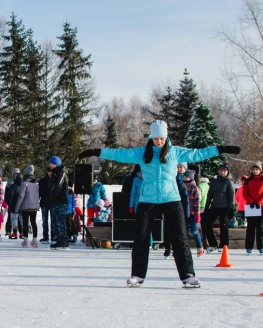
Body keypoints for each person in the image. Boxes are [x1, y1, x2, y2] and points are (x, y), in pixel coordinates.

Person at [78, 120, 240, 287]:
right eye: (156, 139)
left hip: (171, 199)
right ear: (152, 137)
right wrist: (95, 151)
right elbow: (119, 154)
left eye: (162, 138)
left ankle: (188, 275)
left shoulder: (175, 152)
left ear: (166, 136)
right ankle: (137, 275)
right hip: (147, 200)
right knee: (141, 237)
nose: (159, 142)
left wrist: (222, 149)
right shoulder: (142, 153)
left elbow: (197, 154)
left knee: (180, 237)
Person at [202, 163, 235, 253]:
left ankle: (223, 245)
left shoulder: (229, 182)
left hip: (225, 207)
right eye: (221, 170)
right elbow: (210, 195)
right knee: (206, 223)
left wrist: (231, 208)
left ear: (227, 172)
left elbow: (232, 196)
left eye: (224, 170)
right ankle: (213, 243)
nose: (222, 172)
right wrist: (207, 207)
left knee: (223, 225)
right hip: (214, 206)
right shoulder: (214, 182)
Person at [242, 161, 263, 255]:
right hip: (251, 207)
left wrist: (259, 202)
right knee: (250, 227)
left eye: (257, 169)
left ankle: (261, 247)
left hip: (262, 206)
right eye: (254, 169)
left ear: (260, 170)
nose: (255, 171)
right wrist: (251, 201)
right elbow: (245, 192)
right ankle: (249, 247)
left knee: (261, 227)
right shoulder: (248, 180)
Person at [47, 156, 70, 250]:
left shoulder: (61, 173)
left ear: (55, 163)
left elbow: (58, 187)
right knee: (56, 222)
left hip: (60, 200)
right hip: (56, 201)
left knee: (60, 222)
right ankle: (59, 240)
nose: (49, 165)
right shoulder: (55, 173)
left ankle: (64, 241)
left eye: (50, 163)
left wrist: (51, 197)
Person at [15, 165, 40, 247]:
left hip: (25, 207)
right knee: (33, 222)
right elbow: (38, 195)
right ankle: (35, 240)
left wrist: (17, 207)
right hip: (34, 207)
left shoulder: (24, 183)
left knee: (25, 223)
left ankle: (25, 240)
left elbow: (21, 196)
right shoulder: (36, 184)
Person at [183, 169, 204, 257]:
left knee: (194, 230)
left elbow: (197, 202)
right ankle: (185, 248)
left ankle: (200, 247)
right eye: (184, 176)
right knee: (185, 231)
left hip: (192, 212)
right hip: (183, 212)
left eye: (187, 177)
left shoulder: (194, 187)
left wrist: (197, 214)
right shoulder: (181, 185)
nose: (185, 178)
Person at [6, 171, 23, 239]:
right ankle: (22, 233)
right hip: (22, 205)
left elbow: (10, 195)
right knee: (21, 219)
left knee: (14, 219)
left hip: (14, 205)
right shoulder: (24, 185)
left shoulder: (13, 185)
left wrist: (9, 203)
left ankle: (15, 233)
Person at [38, 168, 52, 243]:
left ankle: (53, 236)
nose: (50, 173)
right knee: (44, 221)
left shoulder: (55, 180)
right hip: (44, 202)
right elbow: (39, 192)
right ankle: (45, 236)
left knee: (53, 221)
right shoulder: (43, 180)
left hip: (53, 203)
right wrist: (38, 201)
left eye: (51, 172)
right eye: (49, 172)